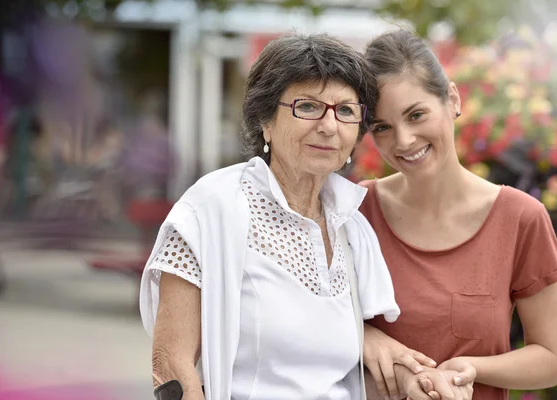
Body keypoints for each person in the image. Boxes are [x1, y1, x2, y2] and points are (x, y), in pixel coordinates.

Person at [139, 33, 427, 400]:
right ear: (266, 121)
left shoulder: (351, 227)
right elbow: (170, 366)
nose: (328, 126)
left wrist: (419, 381)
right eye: (307, 106)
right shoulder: (210, 211)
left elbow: (338, 377)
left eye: (345, 111)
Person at [359, 29, 557, 400]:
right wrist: (365, 337)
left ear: (452, 100)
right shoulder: (355, 211)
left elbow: (551, 359)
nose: (404, 140)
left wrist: (472, 368)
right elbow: (313, 326)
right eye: (382, 127)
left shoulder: (521, 218)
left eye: (416, 114)